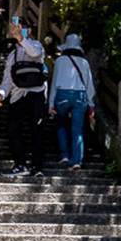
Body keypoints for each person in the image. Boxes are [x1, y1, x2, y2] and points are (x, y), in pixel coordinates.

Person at [0, 18, 47, 176]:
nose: (16, 30)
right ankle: (20, 163)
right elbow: (8, 79)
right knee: (13, 128)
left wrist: (22, 38)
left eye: (20, 27)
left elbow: (35, 53)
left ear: (28, 30)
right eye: (14, 27)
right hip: (18, 96)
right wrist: (1, 93)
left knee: (37, 129)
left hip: (36, 94)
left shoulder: (36, 45)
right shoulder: (12, 55)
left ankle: (37, 166)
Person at [47, 33, 95, 169]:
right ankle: (77, 161)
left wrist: (51, 104)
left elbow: (54, 83)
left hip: (62, 95)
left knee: (61, 124)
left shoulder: (60, 61)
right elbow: (89, 85)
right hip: (80, 96)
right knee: (77, 129)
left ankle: (64, 155)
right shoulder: (84, 62)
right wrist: (91, 104)